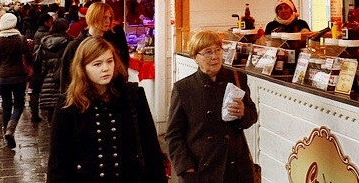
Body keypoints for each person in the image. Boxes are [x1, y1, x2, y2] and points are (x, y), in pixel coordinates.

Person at [47, 37, 167, 182]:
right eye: (97, 64)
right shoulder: (68, 104)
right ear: (83, 67)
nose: (105, 68)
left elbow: (151, 148)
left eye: (109, 61)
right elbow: (58, 160)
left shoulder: (133, 95)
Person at [166, 30, 258, 183]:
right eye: (208, 52)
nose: (214, 56)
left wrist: (243, 114)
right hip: (201, 170)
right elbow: (173, 135)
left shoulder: (237, 78)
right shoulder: (184, 88)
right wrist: (186, 168)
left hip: (235, 169)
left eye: (217, 50)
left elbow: (252, 116)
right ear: (195, 57)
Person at [60, 2, 130, 93]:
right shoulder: (75, 46)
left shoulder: (115, 41)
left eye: (109, 18)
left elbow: (124, 63)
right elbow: (66, 77)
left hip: (113, 94)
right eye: (104, 17)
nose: (108, 21)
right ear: (93, 17)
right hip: (84, 96)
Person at [0, 12, 32, 148]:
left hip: (2, 77)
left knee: (6, 105)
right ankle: (11, 128)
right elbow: (28, 56)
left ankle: (6, 134)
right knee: (19, 105)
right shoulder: (21, 39)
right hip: (19, 76)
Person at [35, 17, 71, 123]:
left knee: (51, 113)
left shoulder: (44, 42)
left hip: (47, 79)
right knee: (64, 111)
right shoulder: (70, 42)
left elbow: (39, 63)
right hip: (64, 79)